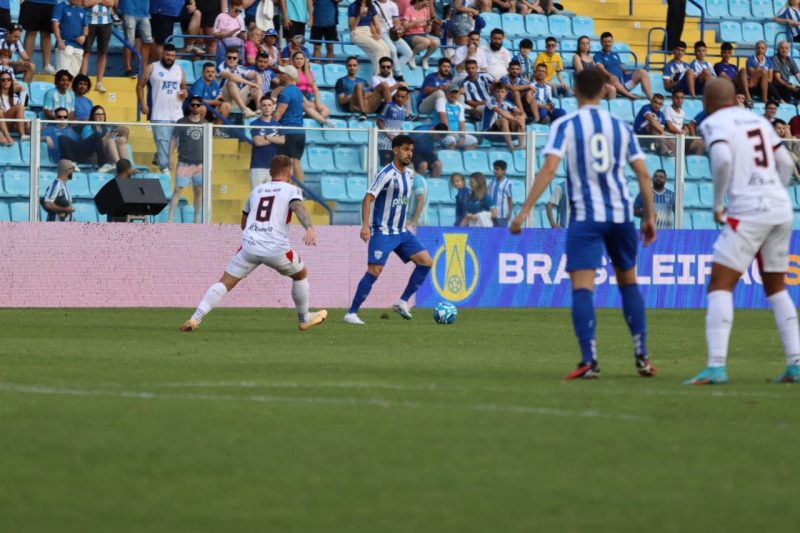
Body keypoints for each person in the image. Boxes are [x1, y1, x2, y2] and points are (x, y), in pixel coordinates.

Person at [509, 67, 658, 380]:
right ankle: (642, 356)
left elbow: (549, 169)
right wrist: (649, 216)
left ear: (575, 91)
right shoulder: (621, 126)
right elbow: (644, 173)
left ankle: (589, 359)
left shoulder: (566, 124)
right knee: (628, 282)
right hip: (620, 215)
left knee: (583, 288)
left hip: (587, 217)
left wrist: (524, 211)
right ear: (605, 91)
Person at [685, 78, 800, 385]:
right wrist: (774, 189)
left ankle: (716, 366)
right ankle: (796, 364)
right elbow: (786, 162)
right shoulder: (757, 119)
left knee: (720, 285)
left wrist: (717, 203)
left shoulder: (713, 123)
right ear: (735, 98)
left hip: (749, 211)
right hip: (780, 208)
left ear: (707, 102)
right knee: (777, 288)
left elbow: (722, 159)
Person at [180, 154, 327, 332]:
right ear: (289, 173)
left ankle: (195, 318)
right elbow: (298, 208)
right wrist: (309, 228)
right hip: (275, 249)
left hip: (249, 246)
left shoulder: (256, 190)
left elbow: (243, 223)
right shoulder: (292, 190)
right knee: (300, 274)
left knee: (225, 282)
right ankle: (304, 318)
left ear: (270, 172)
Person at [343, 134, 434, 325]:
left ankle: (402, 302)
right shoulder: (386, 173)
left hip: (401, 231)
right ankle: (351, 313)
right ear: (395, 150)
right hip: (383, 231)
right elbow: (368, 198)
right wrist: (365, 225)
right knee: (375, 270)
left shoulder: (410, 174)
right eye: (405, 149)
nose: (409, 153)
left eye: (411, 150)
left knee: (426, 262)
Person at [137, 44, 187, 177]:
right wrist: (142, 103)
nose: (170, 58)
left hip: (177, 113)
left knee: (180, 141)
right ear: (162, 54)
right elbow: (140, 86)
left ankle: (159, 155)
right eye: (168, 55)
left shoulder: (179, 69)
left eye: (172, 55)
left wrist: (183, 94)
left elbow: (183, 86)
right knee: (163, 141)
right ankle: (165, 170)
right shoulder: (152, 67)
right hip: (159, 113)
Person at [167, 96, 205, 223]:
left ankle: (196, 219)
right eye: (193, 105)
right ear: (189, 106)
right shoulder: (182, 121)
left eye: (198, 105)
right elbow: (173, 140)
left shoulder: (205, 124)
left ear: (201, 107)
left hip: (200, 163)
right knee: (178, 190)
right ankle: (170, 219)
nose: (195, 107)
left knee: (199, 191)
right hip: (184, 162)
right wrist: (170, 157)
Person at [594, 32, 653, 100]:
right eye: (605, 42)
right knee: (612, 79)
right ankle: (631, 96)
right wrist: (610, 75)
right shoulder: (598, 56)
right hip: (613, 85)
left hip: (623, 83)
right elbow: (600, 68)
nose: (607, 44)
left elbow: (620, 66)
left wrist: (627, 71)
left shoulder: (615, 55)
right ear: (601, 42)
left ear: (612, 42)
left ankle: (650, 97)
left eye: (609, 41)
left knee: (642, 72)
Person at [272, 64, 306, 182]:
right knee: (296, 162)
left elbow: (279, 113)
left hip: (288, 131)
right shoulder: (299, 92)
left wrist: (268, 124)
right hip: (300, 132)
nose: (280, 75)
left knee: (285, 162)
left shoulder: (285, 92)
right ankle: (301, 191)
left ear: (288, 76)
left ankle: (287, 189)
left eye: (282, 73)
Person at [335, 55, 393, 120]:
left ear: (358, 67)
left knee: (384, 84)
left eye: (354, 65)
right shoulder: (341, 81)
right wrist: (355, 94)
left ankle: (390, 111)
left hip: (367, 104)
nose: (352, 68)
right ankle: (363, 113)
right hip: (354, 106)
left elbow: (370, 93)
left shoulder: (363, 81)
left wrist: (362, 95)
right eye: (350, 65)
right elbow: (342, 101)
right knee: (359, 85)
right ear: (346, 67)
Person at [572, 35, 628, 99]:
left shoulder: (590, 57)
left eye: (587, 43)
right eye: (583, 43)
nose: (585, 45)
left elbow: (596, 71)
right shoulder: (577, 56)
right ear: (579, 45)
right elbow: (581, 73)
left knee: (612, 89)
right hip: (584, 84)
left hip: (593, 83)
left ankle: (610, 107)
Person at [249, 95, 285, 187]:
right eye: (264, 105)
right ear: (260, 107)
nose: (266, 108)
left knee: (271, 195)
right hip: (257, 166)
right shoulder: (255, 123)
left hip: (273, 166)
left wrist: (266, 137)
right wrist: (273, 138)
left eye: (269, 105)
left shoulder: (278, 125)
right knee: (257, 194)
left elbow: (282, 141)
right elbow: (258, 142)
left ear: (273, 108)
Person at [80, 105, 129, 172]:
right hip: (93, 156)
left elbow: (126, 130)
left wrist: (122, 136)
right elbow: (87, 147)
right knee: (110, 141)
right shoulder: (87, 128)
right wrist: (106, 138)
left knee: (121, 141)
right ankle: (119, 166)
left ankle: (127, 167)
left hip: (108, 155)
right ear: (93, 116)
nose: (100, 116)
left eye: (102, 114)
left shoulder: (107, 126)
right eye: (98, 114)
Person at [374, 0, 413, 79]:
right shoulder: (373, 4)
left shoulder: (392, 4)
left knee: (408, 53)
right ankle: (399, 75)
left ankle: (392, 72)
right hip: (381, 32)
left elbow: (396, 21)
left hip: (392, 32)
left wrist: (398, 29)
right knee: (393, 50)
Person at [348, 0, 391, 73]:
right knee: (378, 49)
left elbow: (374, 23)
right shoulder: (353, 6)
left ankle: (387, 76)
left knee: (386, 48)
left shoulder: (371, 6)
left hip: (368, 31)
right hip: (356, 32)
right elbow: (351, 28)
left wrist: (378, 34)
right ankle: (378, 77)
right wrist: (359, 15)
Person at [217, 47, 260, 118]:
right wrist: (251, 83)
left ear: (237, 59)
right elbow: (231, 77)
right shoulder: (221, 67)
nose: (231, 60)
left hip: (237, 98)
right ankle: (244, 110)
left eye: (234, 58)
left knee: (255, 85)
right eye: (229, 57)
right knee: (231, 82)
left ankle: (259, 110)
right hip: (224, 98)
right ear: (225, 58)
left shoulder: (239, 68)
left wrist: (257, 84)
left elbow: (256, 74)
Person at [482, 81, 526, 151]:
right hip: (489, 131)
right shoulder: (490, 100)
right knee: (504, 120)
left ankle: (521, 145)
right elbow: (500, 111)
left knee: (520, 118)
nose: (500, 94)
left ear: (506, 93)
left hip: (503, 131)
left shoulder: (506, 102)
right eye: (498, 92)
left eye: (502, 92)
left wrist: (521, 117)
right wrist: (514, 119)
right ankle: (511, 147)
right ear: (493, 92)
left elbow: (521, 112)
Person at [81, 0, 114, 93]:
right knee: (86, 51)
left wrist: (94, 1)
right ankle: (83, 79)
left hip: (106, 22)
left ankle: (99, 82)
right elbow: (86, 3)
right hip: (89, 21)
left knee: (103, 53)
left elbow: (111, 3)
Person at [51, 0, 88, 77]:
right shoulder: (60, 6)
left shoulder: (81, 9)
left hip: (78, 46)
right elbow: (55, 24)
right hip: (65, 44)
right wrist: (59, 40)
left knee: (73, 75)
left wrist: (84, 36)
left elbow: (85, 26)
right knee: (62, 74)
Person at [435, 83, 478, 150]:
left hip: (456, 134)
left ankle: (463, 158)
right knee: (452, 141)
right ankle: (452, 159)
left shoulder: (459, 106)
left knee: (473, 141)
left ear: (458, 94)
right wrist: (450, 132)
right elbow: (442, 117)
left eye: (455, 93)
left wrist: (462, 137)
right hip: (442, 133)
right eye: (451, 93)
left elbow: (462, 124)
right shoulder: (441, 100)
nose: (453, 95)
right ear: (447, 93)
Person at [20, 0, 57, 75]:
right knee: (31, 32)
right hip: (31, 2)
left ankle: (46, 65)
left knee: (46, 33)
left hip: (50, 3)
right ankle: (27, 64)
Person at [376, 85, 410, 165]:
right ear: (395, 95)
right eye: (398, 96)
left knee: (399, 166)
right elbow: (379, 121)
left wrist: (401, 136)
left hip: (397, 144)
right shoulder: (389, 106)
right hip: (384, 143)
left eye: (402, 97)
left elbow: (399, 125)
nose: (399, 99)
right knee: (387, 166)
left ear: (406, 98)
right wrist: (388, 135)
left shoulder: (405, 108)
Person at [401, 0, 439, 71]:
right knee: (426, 42)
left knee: (436, 42)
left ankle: (425, 58)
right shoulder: (409, 9)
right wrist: (415, 23)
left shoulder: (424, 10)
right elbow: (405, 26)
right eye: (423, 4)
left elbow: (425, 27)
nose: (425, 6)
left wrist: (427, 26)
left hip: (422, 34)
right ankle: (411, 56)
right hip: (410, 35)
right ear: (418, 1)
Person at [120, 0, 153, 78]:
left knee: (148, 41)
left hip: (144, 13)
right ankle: (128, 68)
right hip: (129, 11)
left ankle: (143, 67)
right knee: (129, 42)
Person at [0, 71, 26, 144]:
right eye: (3, 80)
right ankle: (21, 135)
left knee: (36, 128)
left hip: (10, 124)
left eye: (8, 79)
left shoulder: (15, 97)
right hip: (1, 123)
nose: (6, 81)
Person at [489, 160, 512, 227]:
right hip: (492, 214)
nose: (495, 171)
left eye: (497, 169)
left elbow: (509, 199)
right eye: (494, 169)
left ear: (503, 170)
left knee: (501, 234)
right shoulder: (492, 182)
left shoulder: (507, 183)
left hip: (502, 215)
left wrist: (510, 212)